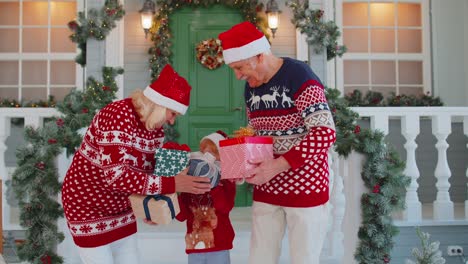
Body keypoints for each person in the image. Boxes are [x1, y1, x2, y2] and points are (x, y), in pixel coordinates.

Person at [61, 64, 212, 264]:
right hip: (87, 206)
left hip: (121, 208)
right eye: (173, 113)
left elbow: (146, 173)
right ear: (160, 105)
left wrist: (148, 205)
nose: (173, 121)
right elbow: (117, 176)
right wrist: (173, 183)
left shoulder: (154, 129)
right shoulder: (118, 115)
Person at [218, 22, 337, 264]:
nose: (238, 75)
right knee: (259, 259)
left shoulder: (299, 75)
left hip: (306, 189)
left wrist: (276, 166)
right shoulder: (251, 89)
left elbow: (324, 132)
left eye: (240, 67)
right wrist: (243, 163)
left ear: (259, 56)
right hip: (267, 190)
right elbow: (260, 134)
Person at [176, 131, 236, 264]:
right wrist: (176, 190)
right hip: (195, 245)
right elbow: (180, 216)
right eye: (204, 153)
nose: (207, 158)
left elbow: (225, 207)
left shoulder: (226, 181)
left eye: (213, 154)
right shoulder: (191, 182)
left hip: (219, 246)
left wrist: (215, 185)